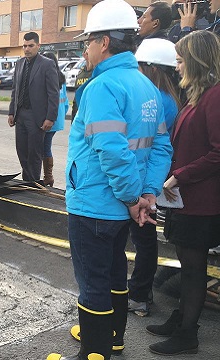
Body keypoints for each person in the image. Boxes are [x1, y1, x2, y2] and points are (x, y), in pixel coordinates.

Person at [48, 1, 173, 359]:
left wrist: (135, 197)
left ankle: (93, 352)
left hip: (96, 205)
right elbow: (160, 147)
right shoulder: (146, 87)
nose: (84, 50)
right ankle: (113, 339)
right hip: (121, 207)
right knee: (116, 272)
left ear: (104, 42)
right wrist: (145, 194)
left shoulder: (102, 87)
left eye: (87, 42)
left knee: (93, 284)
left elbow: (113, 152)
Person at [147, 30, 220, 356]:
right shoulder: (198, 95)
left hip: (200, 201)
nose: (176, 66)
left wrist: (180, 176)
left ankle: (188, 333)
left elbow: (218, 152)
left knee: (193, 270)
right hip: (184, 198)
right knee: (186, 264)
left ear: (196, 60)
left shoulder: (215, 97)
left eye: (180, 60)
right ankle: (182, 319)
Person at [127, 38, 181, 318]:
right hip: (151, 180)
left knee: (142, 240)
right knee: (145, 239)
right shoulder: (168, 98)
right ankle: (140, 292)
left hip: (143, 183)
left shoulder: (156, 99)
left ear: (150, 68)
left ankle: (138, 294)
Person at [8, 32, 59, 183]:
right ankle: (28, 180)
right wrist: (12, 112)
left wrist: (50, 117)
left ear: (38, 46)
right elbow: (14, 90)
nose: (27, 49)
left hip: (37, 116)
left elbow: (53, 93)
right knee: (21, 150)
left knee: (34, 152)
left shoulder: (47, 64)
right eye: (24, 46)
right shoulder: (20, 63)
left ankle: (33, 183)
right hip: (20, 114)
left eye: (30, 46)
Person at [40, 52, 68, 188]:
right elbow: (66, 102)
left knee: (43, 148)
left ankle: (47, 177)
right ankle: (48, 176)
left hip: (48, 120)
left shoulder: (48, 77)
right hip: (58, 120)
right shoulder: (61, 78)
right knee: (46, 146)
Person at [70, 50, 94, 122]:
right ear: (84, 55)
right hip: (79, 113)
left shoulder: (97, 72)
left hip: (90, 113)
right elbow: (76, 96)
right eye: (87, 53)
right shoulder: (81, 72)